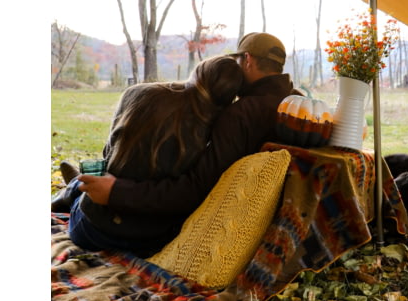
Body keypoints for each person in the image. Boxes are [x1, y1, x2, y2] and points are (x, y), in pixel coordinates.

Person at [76, 32, 302, 218]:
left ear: (248, 60)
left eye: (238, 61)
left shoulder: (240, 115)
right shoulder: (299, 102)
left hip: (218, 214)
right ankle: (73, 190)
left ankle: (73, 191)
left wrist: (119, 192)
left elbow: (198, 188)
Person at [56, 55, 244, 257]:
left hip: (96, 230)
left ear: (198, 72)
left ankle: (71, 190)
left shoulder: (139, 93)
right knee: (90, 184)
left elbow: (108, 155)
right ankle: (75, 185)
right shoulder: (220, 132)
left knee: (87, 186)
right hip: (154, 239)